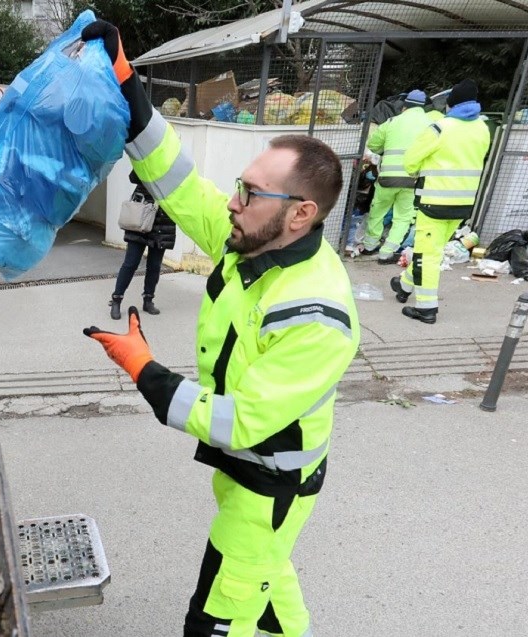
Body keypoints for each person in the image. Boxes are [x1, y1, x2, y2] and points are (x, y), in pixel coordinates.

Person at [79, 21, 359, 637]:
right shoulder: (249, 245)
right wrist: (132, 96)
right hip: (244, 474)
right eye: (239, 187)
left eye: (251, 193)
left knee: (214, 622)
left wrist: (145, 372)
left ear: (301, 214)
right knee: (270, 589)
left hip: (270, 486)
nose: (233, 202)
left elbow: (246, 419)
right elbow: (180, 185)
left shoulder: (320, 315)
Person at [392, 79, 491, 324]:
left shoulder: (440, 128)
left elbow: (410, 162)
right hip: (462, 204)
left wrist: (421, 169)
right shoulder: (482, 129)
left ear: (451, 103)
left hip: (433, 203)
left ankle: (426, 308)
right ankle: (404, 286)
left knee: (428, 255)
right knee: (431, 249)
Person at [360, 89, 434, 264]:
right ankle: (387, 252)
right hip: (412, 179)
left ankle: (370, 246)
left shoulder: (392, 122)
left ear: (404, 106)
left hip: (387, 178)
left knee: (378, 211)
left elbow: (373, 144)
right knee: (403, 216)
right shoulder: (431, 125)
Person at [110, 170, 177, 319]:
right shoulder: (147, 158)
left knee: (154, 266)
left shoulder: (175, 164)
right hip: (141, 216)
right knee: (131, 263)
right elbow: (132, 177)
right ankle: (116, 300)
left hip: (162, 221)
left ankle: (148, 300)